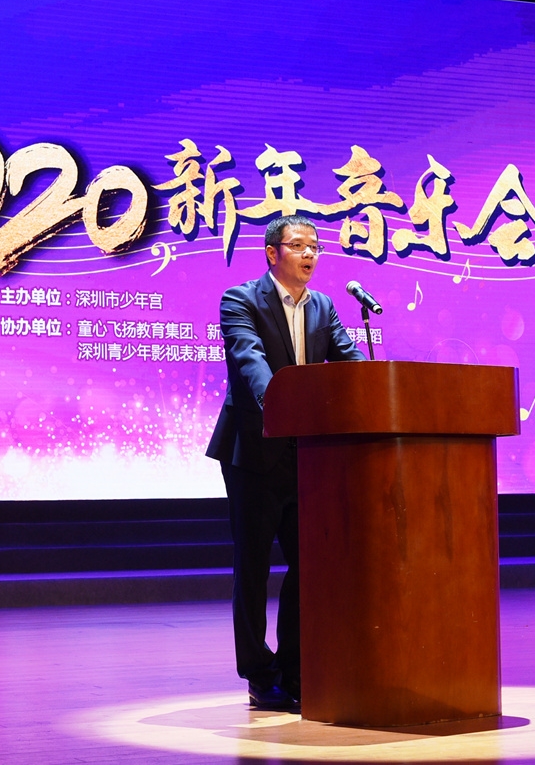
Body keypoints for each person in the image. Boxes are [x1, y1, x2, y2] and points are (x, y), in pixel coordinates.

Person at [206, 214, 365, 711]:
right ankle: (258, 673)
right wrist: (280, 401)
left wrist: (379, 387)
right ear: (272, 253)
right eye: (298, 245)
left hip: (307, 454)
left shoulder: (323, 307)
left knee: (309, 565)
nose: (309, 254)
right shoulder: (240, 300)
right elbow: (249, 360)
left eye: (315, 246)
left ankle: (296, 669)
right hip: (254, 450)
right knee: (253, 567)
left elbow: (348, 360)